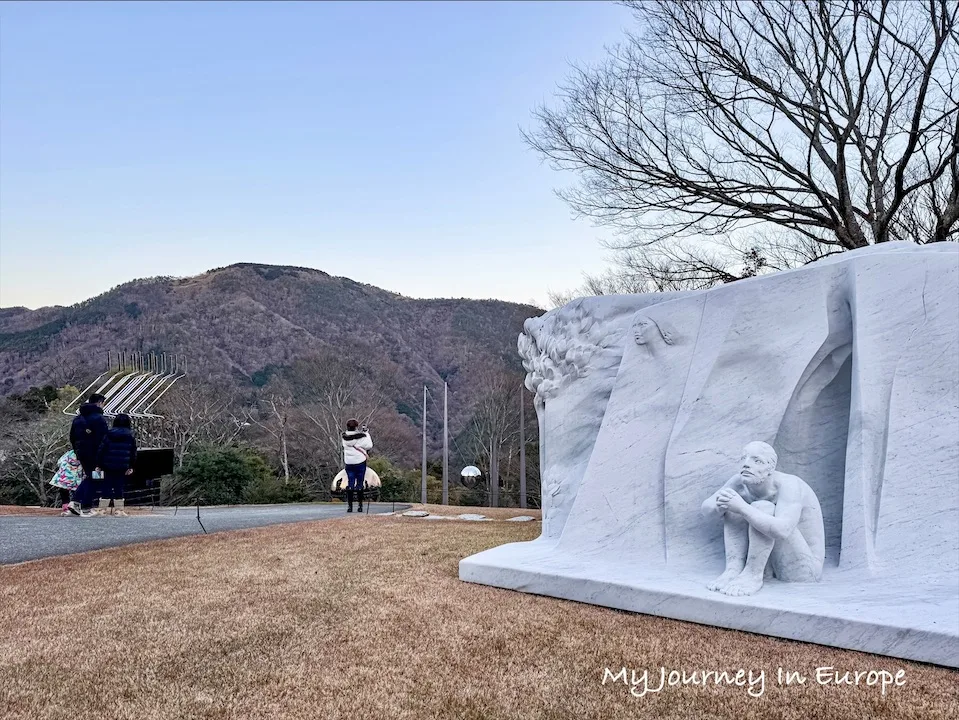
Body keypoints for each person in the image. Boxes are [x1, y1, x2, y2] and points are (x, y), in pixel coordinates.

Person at [701, 441, 825, 596]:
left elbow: (783, 530)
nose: (746, 465)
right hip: (771, 564)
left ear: (770, 468)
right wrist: (721, 504)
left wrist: (742, 507)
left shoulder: (790, 484)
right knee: (733, 505)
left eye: (757, 461)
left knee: (760, 507)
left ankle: (753, 575)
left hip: (803, 569)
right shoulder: (740, 481)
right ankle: (733, 569)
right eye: (744, 459)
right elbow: (707, 510)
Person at [68, 393, 110, 516]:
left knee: (90, 476)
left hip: (82, 453)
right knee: (95, 478)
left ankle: (76, 502)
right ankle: (85, 506)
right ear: (99, 403)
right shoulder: (99, 419)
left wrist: (77, 451)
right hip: (96, 454)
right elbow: (104, 439)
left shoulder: (78, 419)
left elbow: (72, 437)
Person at [94, 413, 137, 517]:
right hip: (122, 465)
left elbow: (101, 450)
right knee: (119, 486)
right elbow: (133, 452)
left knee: (106, 486)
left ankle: (102, 510)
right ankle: (119, 510)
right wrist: (131, 466)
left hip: (107, 464)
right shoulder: (130, 435)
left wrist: (98, 464)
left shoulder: (108, 434)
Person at [341, 419, 372, 513]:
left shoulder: (344, 437)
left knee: (350, 483)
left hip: (349, 462)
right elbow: (369, 445)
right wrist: (366, 433)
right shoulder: (361, 437)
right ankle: (360, 506)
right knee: (359, 484)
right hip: (360, 462)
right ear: (356, 426)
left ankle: (349, 507)